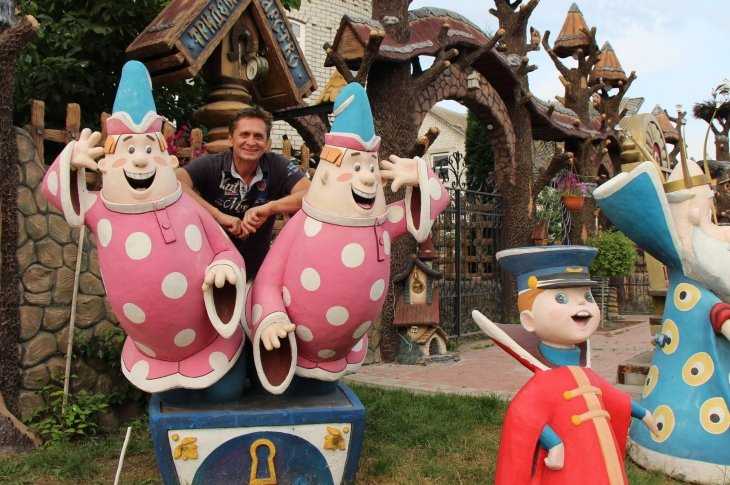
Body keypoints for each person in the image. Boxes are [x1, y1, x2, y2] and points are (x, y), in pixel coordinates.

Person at [472, 246, 658, 485]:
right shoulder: (543, 383)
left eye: (587, 297)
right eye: (561, 298)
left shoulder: (584, 371)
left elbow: (610, 396)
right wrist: (554, 443)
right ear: (528, 320)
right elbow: (523, 416)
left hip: (598, 460)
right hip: (567, 471)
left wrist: (643, 413)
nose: (582, 306)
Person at [177, 106, 310, 279]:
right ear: (231, 139)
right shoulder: (211, 164)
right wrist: (218, 216)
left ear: (267, 143)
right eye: (244, 134)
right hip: (210, 269)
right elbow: (176, 182)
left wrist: (270, 208)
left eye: (258, 136)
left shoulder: (277, 165)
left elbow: (310, 193)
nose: (251, 142)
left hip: (258, 271)